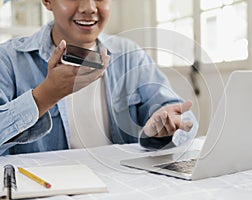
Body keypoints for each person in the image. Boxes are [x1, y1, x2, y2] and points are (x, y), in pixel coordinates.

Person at [0, 0, 198, 155]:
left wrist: (166, 124)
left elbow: (180, 115)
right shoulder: (9, 59)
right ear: (47, 1)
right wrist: (46, 95)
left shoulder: (129, 55)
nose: (89, 8)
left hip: (118, 184)